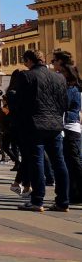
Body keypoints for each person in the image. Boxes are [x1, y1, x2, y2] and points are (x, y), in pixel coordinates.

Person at [8, 49, 70, 212]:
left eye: (25, 61)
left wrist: (12, 96)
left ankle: (37, 201)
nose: (25, 65)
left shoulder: (26, 76)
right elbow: (65, 103)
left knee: (37, 161)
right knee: (59, 161)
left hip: (34, 124)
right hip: (55, 125)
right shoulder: (59, 77)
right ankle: (63, 201)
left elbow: (18, 102)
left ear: (30, 60)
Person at [51, 52, 82, 206]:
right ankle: (73, 193)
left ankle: (76, 192)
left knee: (74, 162)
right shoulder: (71, 86)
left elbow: (68, 106)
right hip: (67, 126)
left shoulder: (72, 88)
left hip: (70, 127)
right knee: (70, 162)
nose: (52, 64)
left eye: (54, 61)